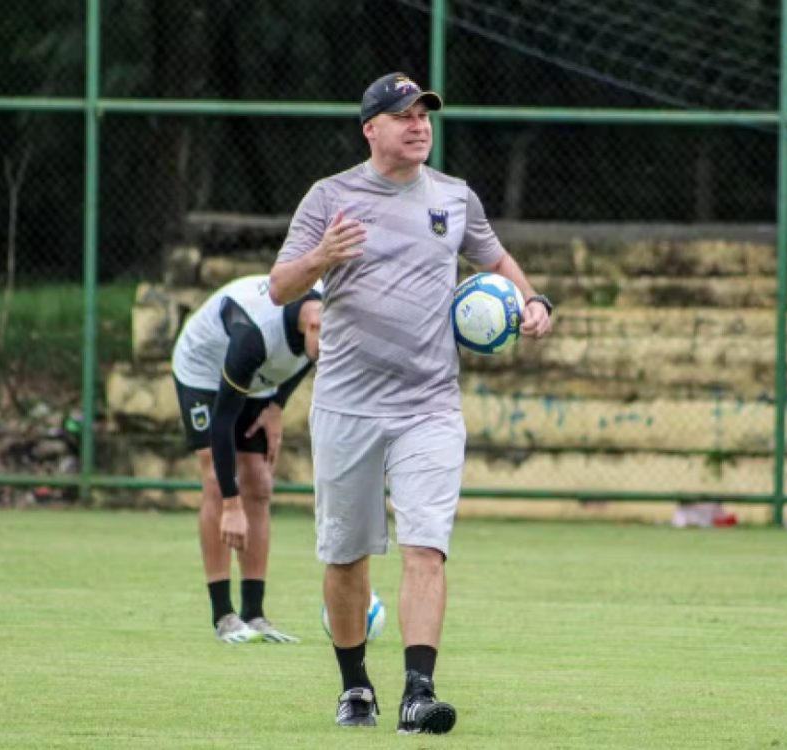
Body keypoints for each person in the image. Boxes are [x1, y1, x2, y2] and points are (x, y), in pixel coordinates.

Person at [269, 72, 554, 733]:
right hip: (347, 406)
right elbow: (281, 288)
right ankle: (355, 688)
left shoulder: (455, 196)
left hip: (430, 405)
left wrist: (534, 300)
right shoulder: (330, 197)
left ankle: (418, 694)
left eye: (424, 114)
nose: (419, 125)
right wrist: (322, 256)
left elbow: (497, 261)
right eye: (404, 116)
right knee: (346, 555)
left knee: (426, 546)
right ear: (371, 129)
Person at [171, 274, 322, 644]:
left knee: (259, 482)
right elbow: (223, 420)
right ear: (313, 327)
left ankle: (254, 614)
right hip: (204, 370)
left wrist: (276, 406)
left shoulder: (331, 315)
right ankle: (224, 615)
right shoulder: (253, 335)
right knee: (216, 480)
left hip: (260, 376)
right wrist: (231, 504)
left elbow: (307, 359)